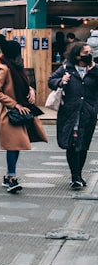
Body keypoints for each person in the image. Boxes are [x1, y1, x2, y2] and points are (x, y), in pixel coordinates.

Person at [0, 34, 47, 193]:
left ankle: (9, 176)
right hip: (10, 114)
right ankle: (12, 178)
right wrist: (14, 104)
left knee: (17, 145)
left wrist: (31, 90)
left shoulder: (17, 67)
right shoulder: (5, 68)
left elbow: (24, 85)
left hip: (20, 112)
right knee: (13, 145)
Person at [47, 41, 98, 190]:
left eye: (90, 52)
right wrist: (61, 81)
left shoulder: (95, 70)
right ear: (77, 56)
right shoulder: (66, 68)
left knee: (83, 145)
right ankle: (75, 176)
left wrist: (94, 69)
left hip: (88, 113)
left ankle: (79, 174)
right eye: (86, 53)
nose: (89, 55)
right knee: (72, 144)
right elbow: (51, 81)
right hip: (70, 112)